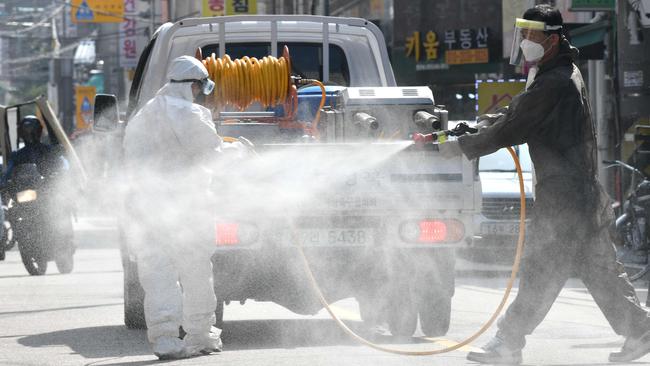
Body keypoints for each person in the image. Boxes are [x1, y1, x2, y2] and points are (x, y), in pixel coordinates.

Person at [438, 5, 650, 364]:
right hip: (577, 194)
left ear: (552, 39)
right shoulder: (556, 73)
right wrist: (475, 127)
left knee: (541, 271)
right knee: (600, 272)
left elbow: (514, 126)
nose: (526, 42)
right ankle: (641, 330)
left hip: (564, 197)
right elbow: (516, 112)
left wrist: (459, 148)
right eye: (524, 34)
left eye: (533, 36)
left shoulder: (556, 81)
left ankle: (508, 343)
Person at [122, 55, 224, 360]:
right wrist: (239, 151)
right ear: (192, 85)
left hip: (149, 209)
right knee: (195, 272)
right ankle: (201, 336)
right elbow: (212, 153)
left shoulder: (143, 116)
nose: (197, 93)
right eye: (198, 88)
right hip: (187, 207)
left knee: (158, 275)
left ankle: (165, 340)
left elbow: (131, 160)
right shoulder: (192, 114)